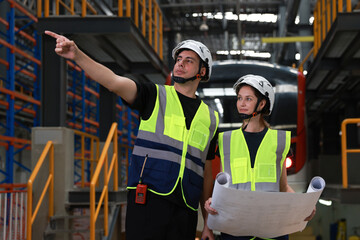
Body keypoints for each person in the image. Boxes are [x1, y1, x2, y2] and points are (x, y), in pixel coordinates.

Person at [45, 31, 218, 240]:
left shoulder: (210, 118)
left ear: (202, 71)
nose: (180, 64)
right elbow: (113, 82)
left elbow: (205, 171)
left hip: (185, 207)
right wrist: (78, 55)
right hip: (148, 200)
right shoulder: (154, 95)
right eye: (178, 59)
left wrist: (208, 222)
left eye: (188, 61)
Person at [204, 74, 316, 240]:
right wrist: (211, 203)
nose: (241, 103)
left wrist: (303, 206)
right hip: (235, 231)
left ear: (262, 103)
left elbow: (283, 187)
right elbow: (223, 187)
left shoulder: (279, 141)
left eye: (248, 99)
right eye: (239, 98)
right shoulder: (226, 140)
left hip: (272, 231)